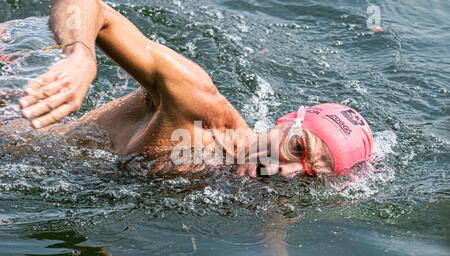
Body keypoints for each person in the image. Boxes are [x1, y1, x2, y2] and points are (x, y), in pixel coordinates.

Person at [17, 0, 373, 178]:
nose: (287, 172)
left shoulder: (262, 177)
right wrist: (81, 56)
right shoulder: (197, 104)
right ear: (285, 121)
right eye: (297, 148)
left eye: (309, 176)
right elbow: (88, 6)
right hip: (19, 145)